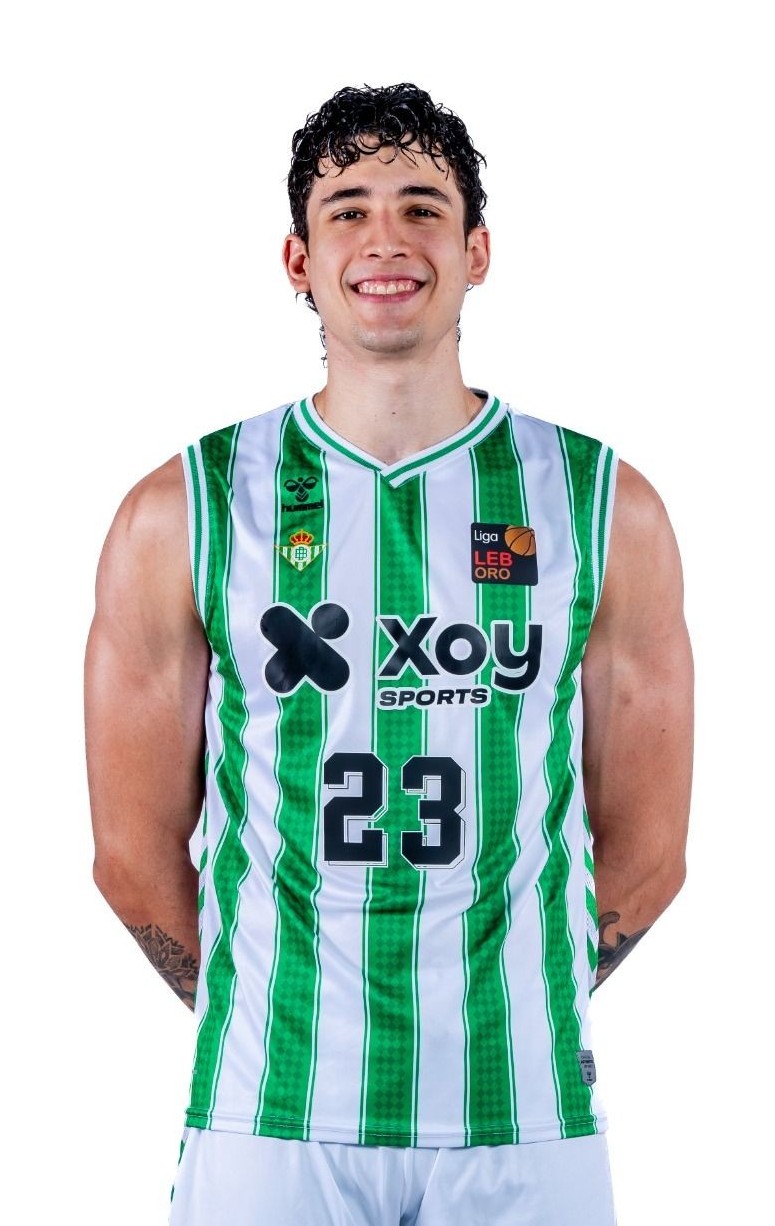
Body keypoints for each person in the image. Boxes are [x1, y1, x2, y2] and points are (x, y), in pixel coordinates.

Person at [85, 83, 693, 1225]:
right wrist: (272, 1021)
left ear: (476, 251)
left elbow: (651, 850)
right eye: (348, 210)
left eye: (421, 208)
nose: (385, 239)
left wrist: (517, 1009)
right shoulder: (184, 510)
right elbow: (130, 852)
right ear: (298, 259)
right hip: (271, 1122)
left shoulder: (603, 506)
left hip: (523, 1120)